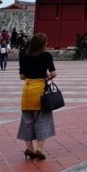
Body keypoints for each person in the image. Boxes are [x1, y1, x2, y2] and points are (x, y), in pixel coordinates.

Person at [17, 32, 57, 160]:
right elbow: (53, 74)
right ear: (42, 44)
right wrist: (47, 77)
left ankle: (29, 148)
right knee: (42, 120)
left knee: (27, 120)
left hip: (27, 90)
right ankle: (39, 149)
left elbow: (22, 76)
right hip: (40, 90)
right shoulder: (46, 55)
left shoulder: (23, 55)